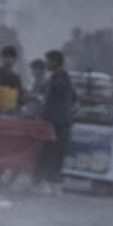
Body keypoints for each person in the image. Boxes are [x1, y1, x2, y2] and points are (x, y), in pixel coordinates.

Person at [34, 50, 75, 193]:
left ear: (55, 61)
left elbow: (54, 92)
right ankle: (50, 183)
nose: (46, 64)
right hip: (60, 122)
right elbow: (74, 97)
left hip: (56, 123)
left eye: (48, 61)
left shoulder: (60, 76)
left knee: (50, 153)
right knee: (53, 154)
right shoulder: (60, 77)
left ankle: (47, 184)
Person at [0, 44, 24, 112]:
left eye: (11, 57)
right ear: (1, 58)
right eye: (6, 57)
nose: (8, 60)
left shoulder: (16, 78)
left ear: (15, 60)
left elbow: (19, 98)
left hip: (10, 113)